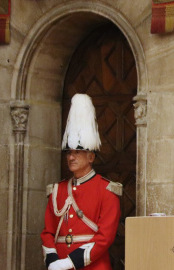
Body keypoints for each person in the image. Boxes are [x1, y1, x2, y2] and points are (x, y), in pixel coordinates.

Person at [41, 94, 122, 270]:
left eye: (77, 152)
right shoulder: (57, 190)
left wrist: (69, 262)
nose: (71, 157)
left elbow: (105, 237)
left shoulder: (107, 190)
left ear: (91, 157)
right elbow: (48, 232)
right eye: (69, 153)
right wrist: (53, 260)